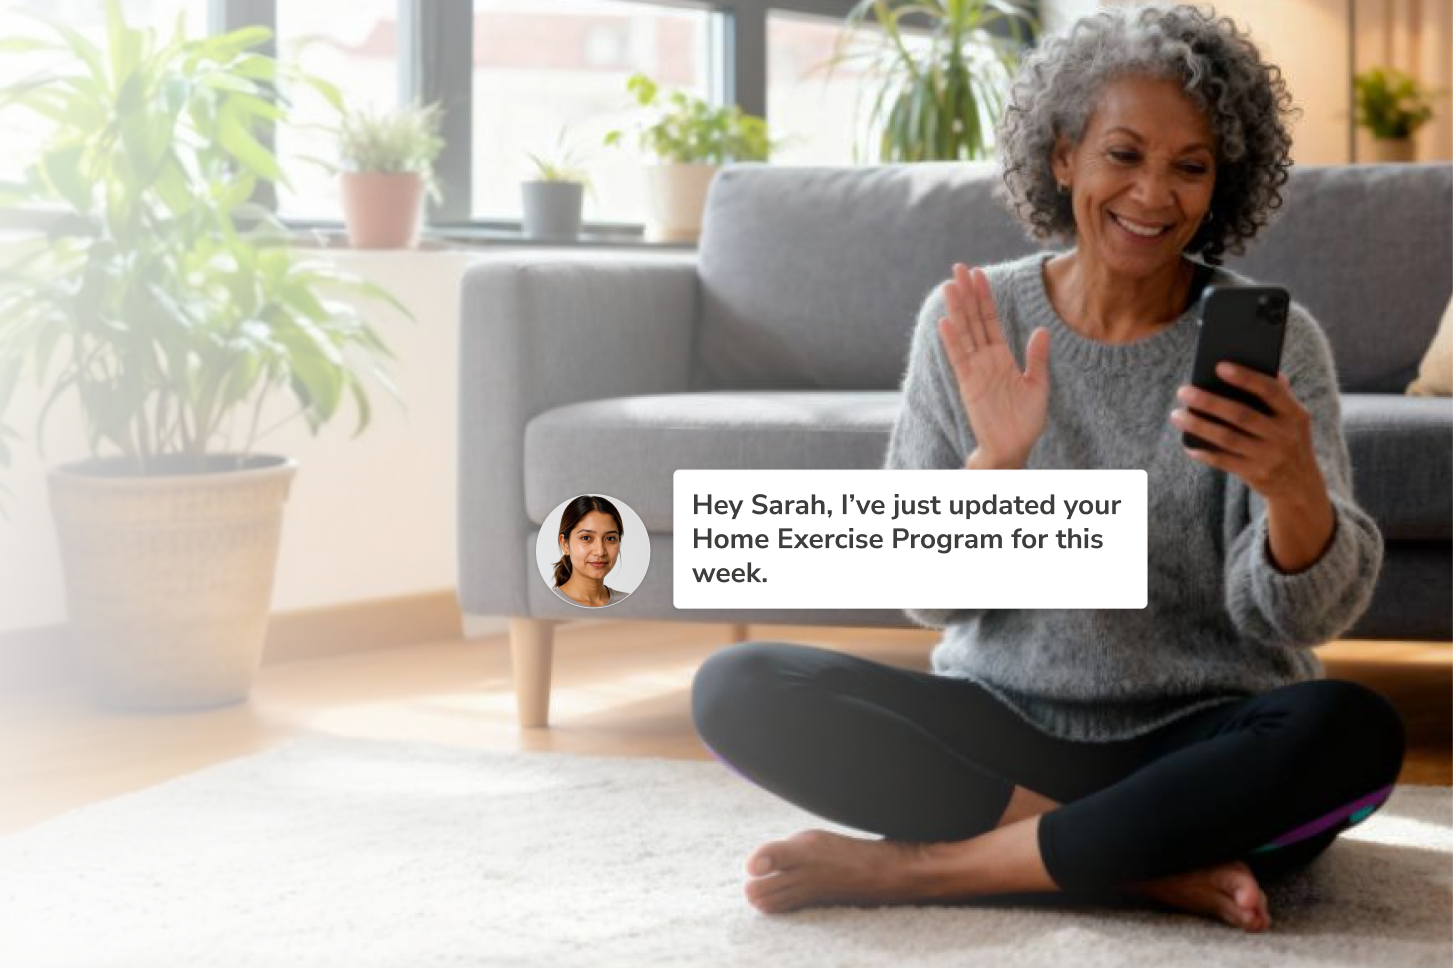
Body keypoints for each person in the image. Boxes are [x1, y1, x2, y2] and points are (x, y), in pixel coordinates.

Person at [690, 3, 1405, 933]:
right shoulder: (972, 320)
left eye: (1189, 167)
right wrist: (996, 464)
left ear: (1220, 182)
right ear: (1063, 155)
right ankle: (1137, 866)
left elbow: (1301, 620)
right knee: (737, 685)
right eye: (1123, 154)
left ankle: (935, 868)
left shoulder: (1279, 344)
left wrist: (1292, 487)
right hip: (1002, 721)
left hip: (1199, 739)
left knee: (1352, 732)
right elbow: (929, 598)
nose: (1153, 194)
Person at [552, 495, 632, 608]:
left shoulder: (632, 604)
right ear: (565, 544)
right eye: (586, 538)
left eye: (610, 538)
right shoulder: (545, 606)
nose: (600, 551)